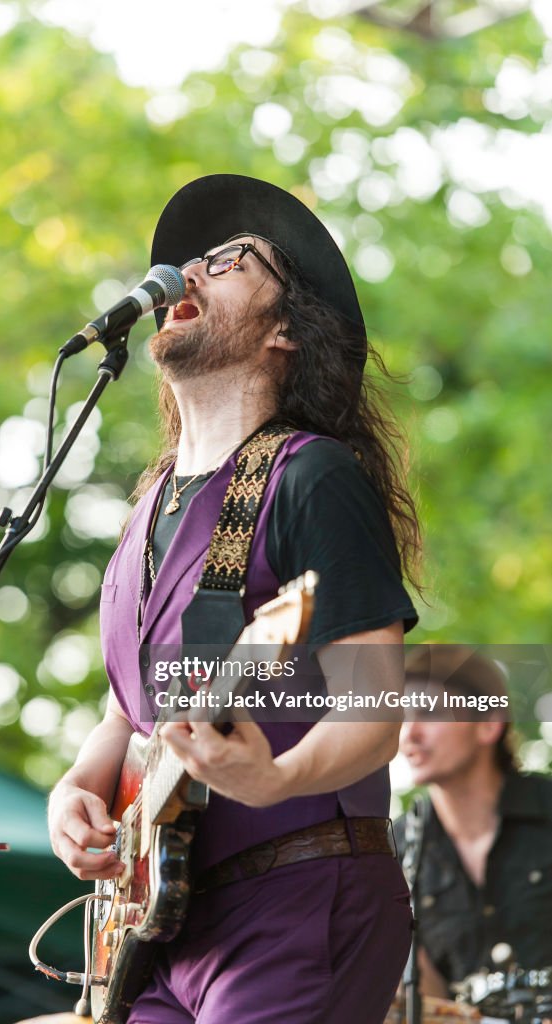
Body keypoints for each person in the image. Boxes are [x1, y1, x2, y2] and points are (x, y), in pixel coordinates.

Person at [48, 174, 420, 1023]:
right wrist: (77, 788)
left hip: (292, 899)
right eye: (191, 261)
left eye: (230, 261)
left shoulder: (310, 477)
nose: (190, 271)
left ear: (284, 329)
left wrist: (276, 774)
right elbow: (128, 716)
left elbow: (376, 708)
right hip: (157, 928)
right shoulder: (146, 512)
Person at [396, 644, 552, 1006]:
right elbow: (423, 997)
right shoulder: (395, 851)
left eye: (430, 712)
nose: (408, 734)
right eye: (400, 716)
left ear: (488, 725)